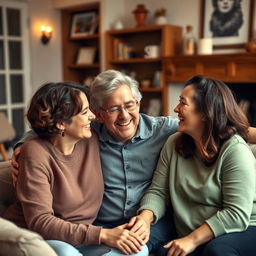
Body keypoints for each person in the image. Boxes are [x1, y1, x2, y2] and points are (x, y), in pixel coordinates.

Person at [10, 70, 256, 255]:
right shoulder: (90, 132)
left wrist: (146, 219)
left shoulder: (167, 131)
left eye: (130, 105)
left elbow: (224, 127)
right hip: (102, 225)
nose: (125, 115)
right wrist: (22, 146)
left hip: (144, 223)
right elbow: (53, 126)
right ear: (100, 113)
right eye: (114, 109)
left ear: (139, 102)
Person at [4, 82, 148, 256]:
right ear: (61, 124)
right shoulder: (35, 153)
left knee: (138, 250)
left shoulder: (90, 137)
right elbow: (41, 221)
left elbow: (122, 119)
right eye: (84, 112)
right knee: (67, 253)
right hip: (40, 239)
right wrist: (103, 234)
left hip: (82, 238)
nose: (92, 117)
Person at [136, 75, 256, 256]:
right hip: (194, 228)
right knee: (165, 252)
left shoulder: (235, 150)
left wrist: (191, 240)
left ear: (206, 113)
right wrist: (145, 218)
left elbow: (236, 214)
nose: (176, 109)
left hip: (244, 226)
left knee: (218, 250)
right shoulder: (174, 143)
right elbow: (159, 191)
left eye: (183, 103)